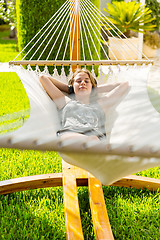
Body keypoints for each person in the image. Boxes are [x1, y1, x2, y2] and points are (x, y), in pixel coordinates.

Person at [39, 68, 129, 143]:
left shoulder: (101, 105)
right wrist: (69, 89)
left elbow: (124, 85)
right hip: (70, 135)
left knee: (93, 140)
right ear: (73, 86)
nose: (82, 83)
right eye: (78, 81)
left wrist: (94, 89)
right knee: (78, 140)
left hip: (94, 137)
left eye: (86, 81)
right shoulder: (65, 101)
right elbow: (43, 78)